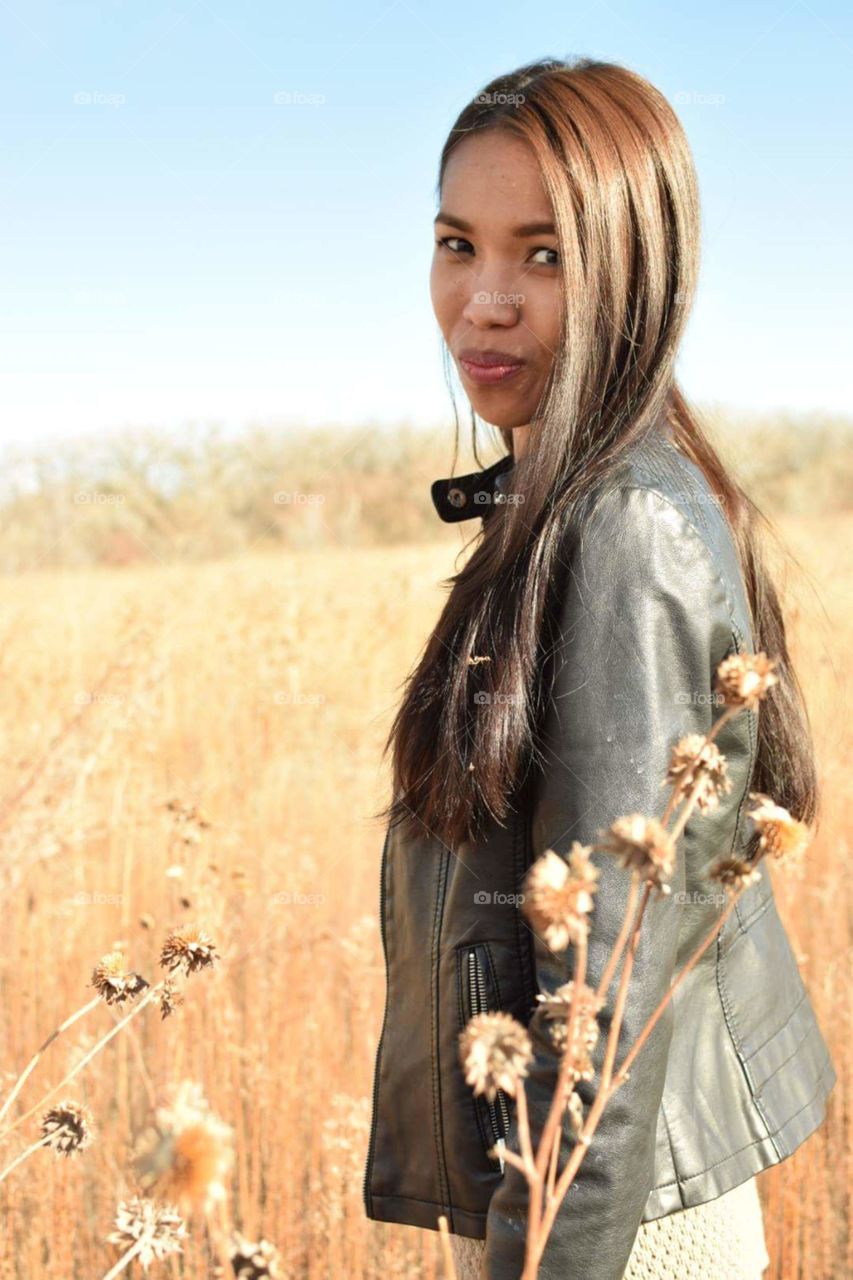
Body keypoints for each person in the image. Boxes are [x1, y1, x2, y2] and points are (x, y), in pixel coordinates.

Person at [362, 57, 835, 1280]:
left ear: (637, 269)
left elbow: (606, 1001)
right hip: (574, 1196)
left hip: (614, 1224)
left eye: (544, 254)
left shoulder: (625, 526)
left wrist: (544, 1260)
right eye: (457, 245)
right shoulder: (560, 501)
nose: (483, 302)